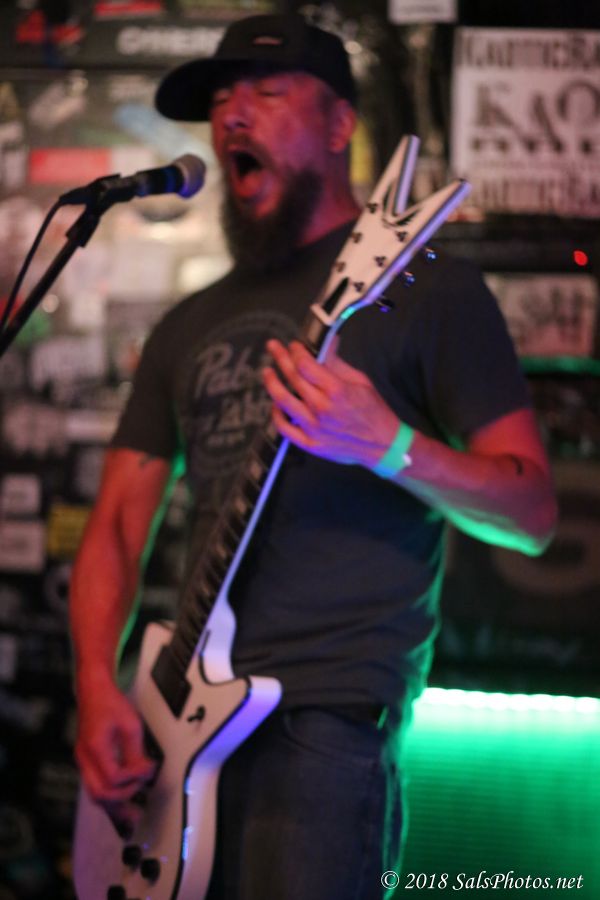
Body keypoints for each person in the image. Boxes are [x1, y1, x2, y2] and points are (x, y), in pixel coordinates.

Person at [69, 12, 557, 900]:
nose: (232, 114)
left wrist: (392, 446)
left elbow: (530, 516)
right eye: (221, 99)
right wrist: (98, 686)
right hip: (169, 727)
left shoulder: (429, 289)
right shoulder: (188, 322)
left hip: (324, 723)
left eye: (265, 90)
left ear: (340, 125)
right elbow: (114, 526)